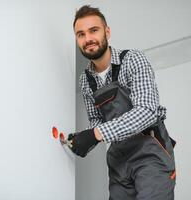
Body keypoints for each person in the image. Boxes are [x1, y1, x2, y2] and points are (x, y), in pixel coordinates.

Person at [68, 5, 176, 200]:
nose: (88, 39)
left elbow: (147, 111)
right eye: (80, 34)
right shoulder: (86, 80)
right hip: (118, 160)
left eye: (94, 30)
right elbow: (96, 120)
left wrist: (96, 134)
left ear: (107, 32)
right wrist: (83, 139)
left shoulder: (133, 60)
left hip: (150, 154)